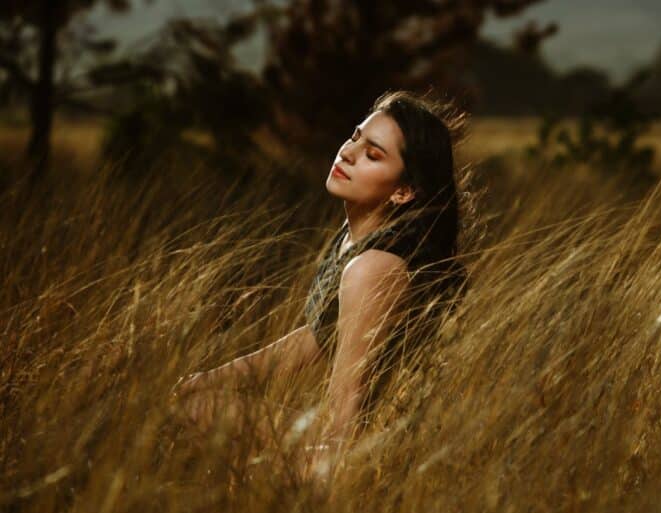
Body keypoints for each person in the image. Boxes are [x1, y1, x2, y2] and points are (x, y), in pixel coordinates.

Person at [171, 90, 471, 478]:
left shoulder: (373, 268)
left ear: (403, 191)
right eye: (354, 137)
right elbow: (317, 338)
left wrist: (318, 471)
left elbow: (349, 410)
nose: (348, 153)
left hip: (369, 450)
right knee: (198, 401)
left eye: (373, 155)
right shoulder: (354, 238)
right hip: (354, 437)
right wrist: (207, 378)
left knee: (197, 413)